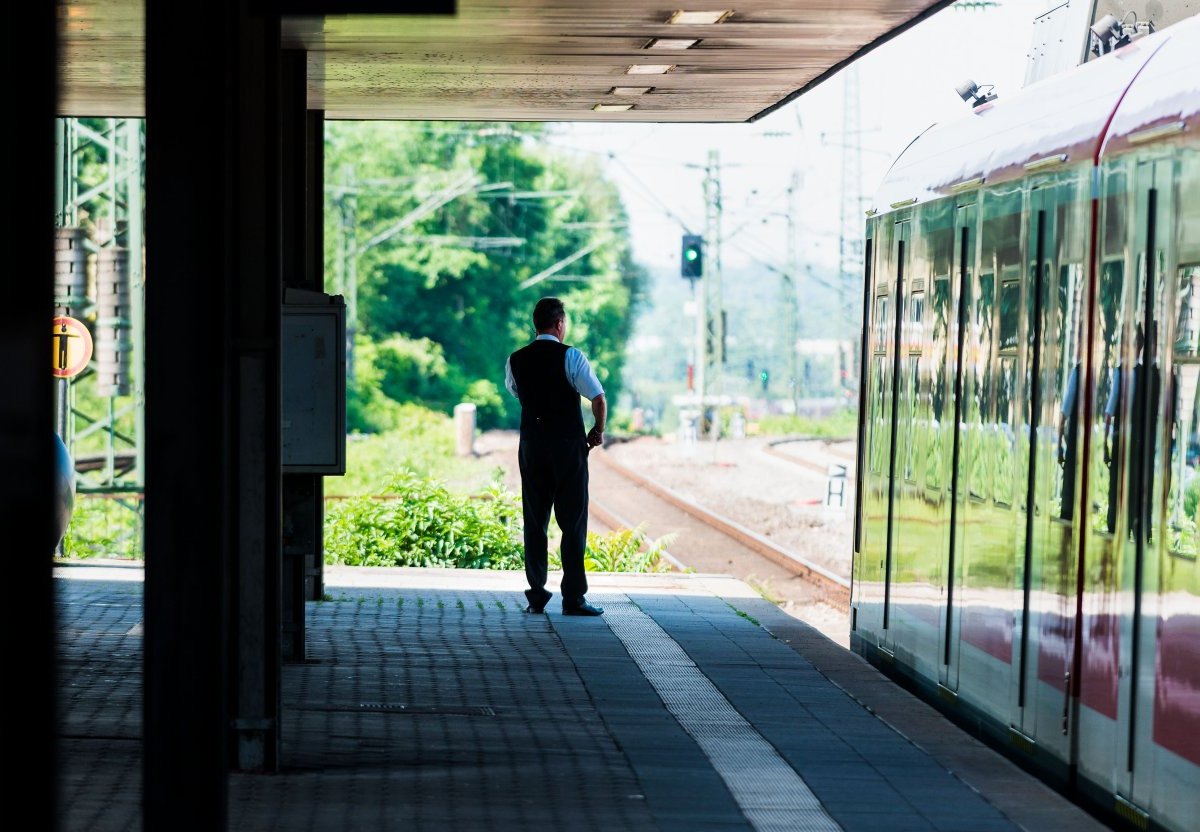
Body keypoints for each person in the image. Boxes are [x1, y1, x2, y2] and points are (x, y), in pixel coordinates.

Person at [505, 297, 607, 616]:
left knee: (535, 520)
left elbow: (518, 393)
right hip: (567, 449)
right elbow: (598, 398)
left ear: (535, 324)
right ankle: (573, 598)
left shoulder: (515, 360)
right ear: (560, 324)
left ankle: (536, 593)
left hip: (532, 448)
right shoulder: (572, 357)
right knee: (572, 522)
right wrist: (597, 431)